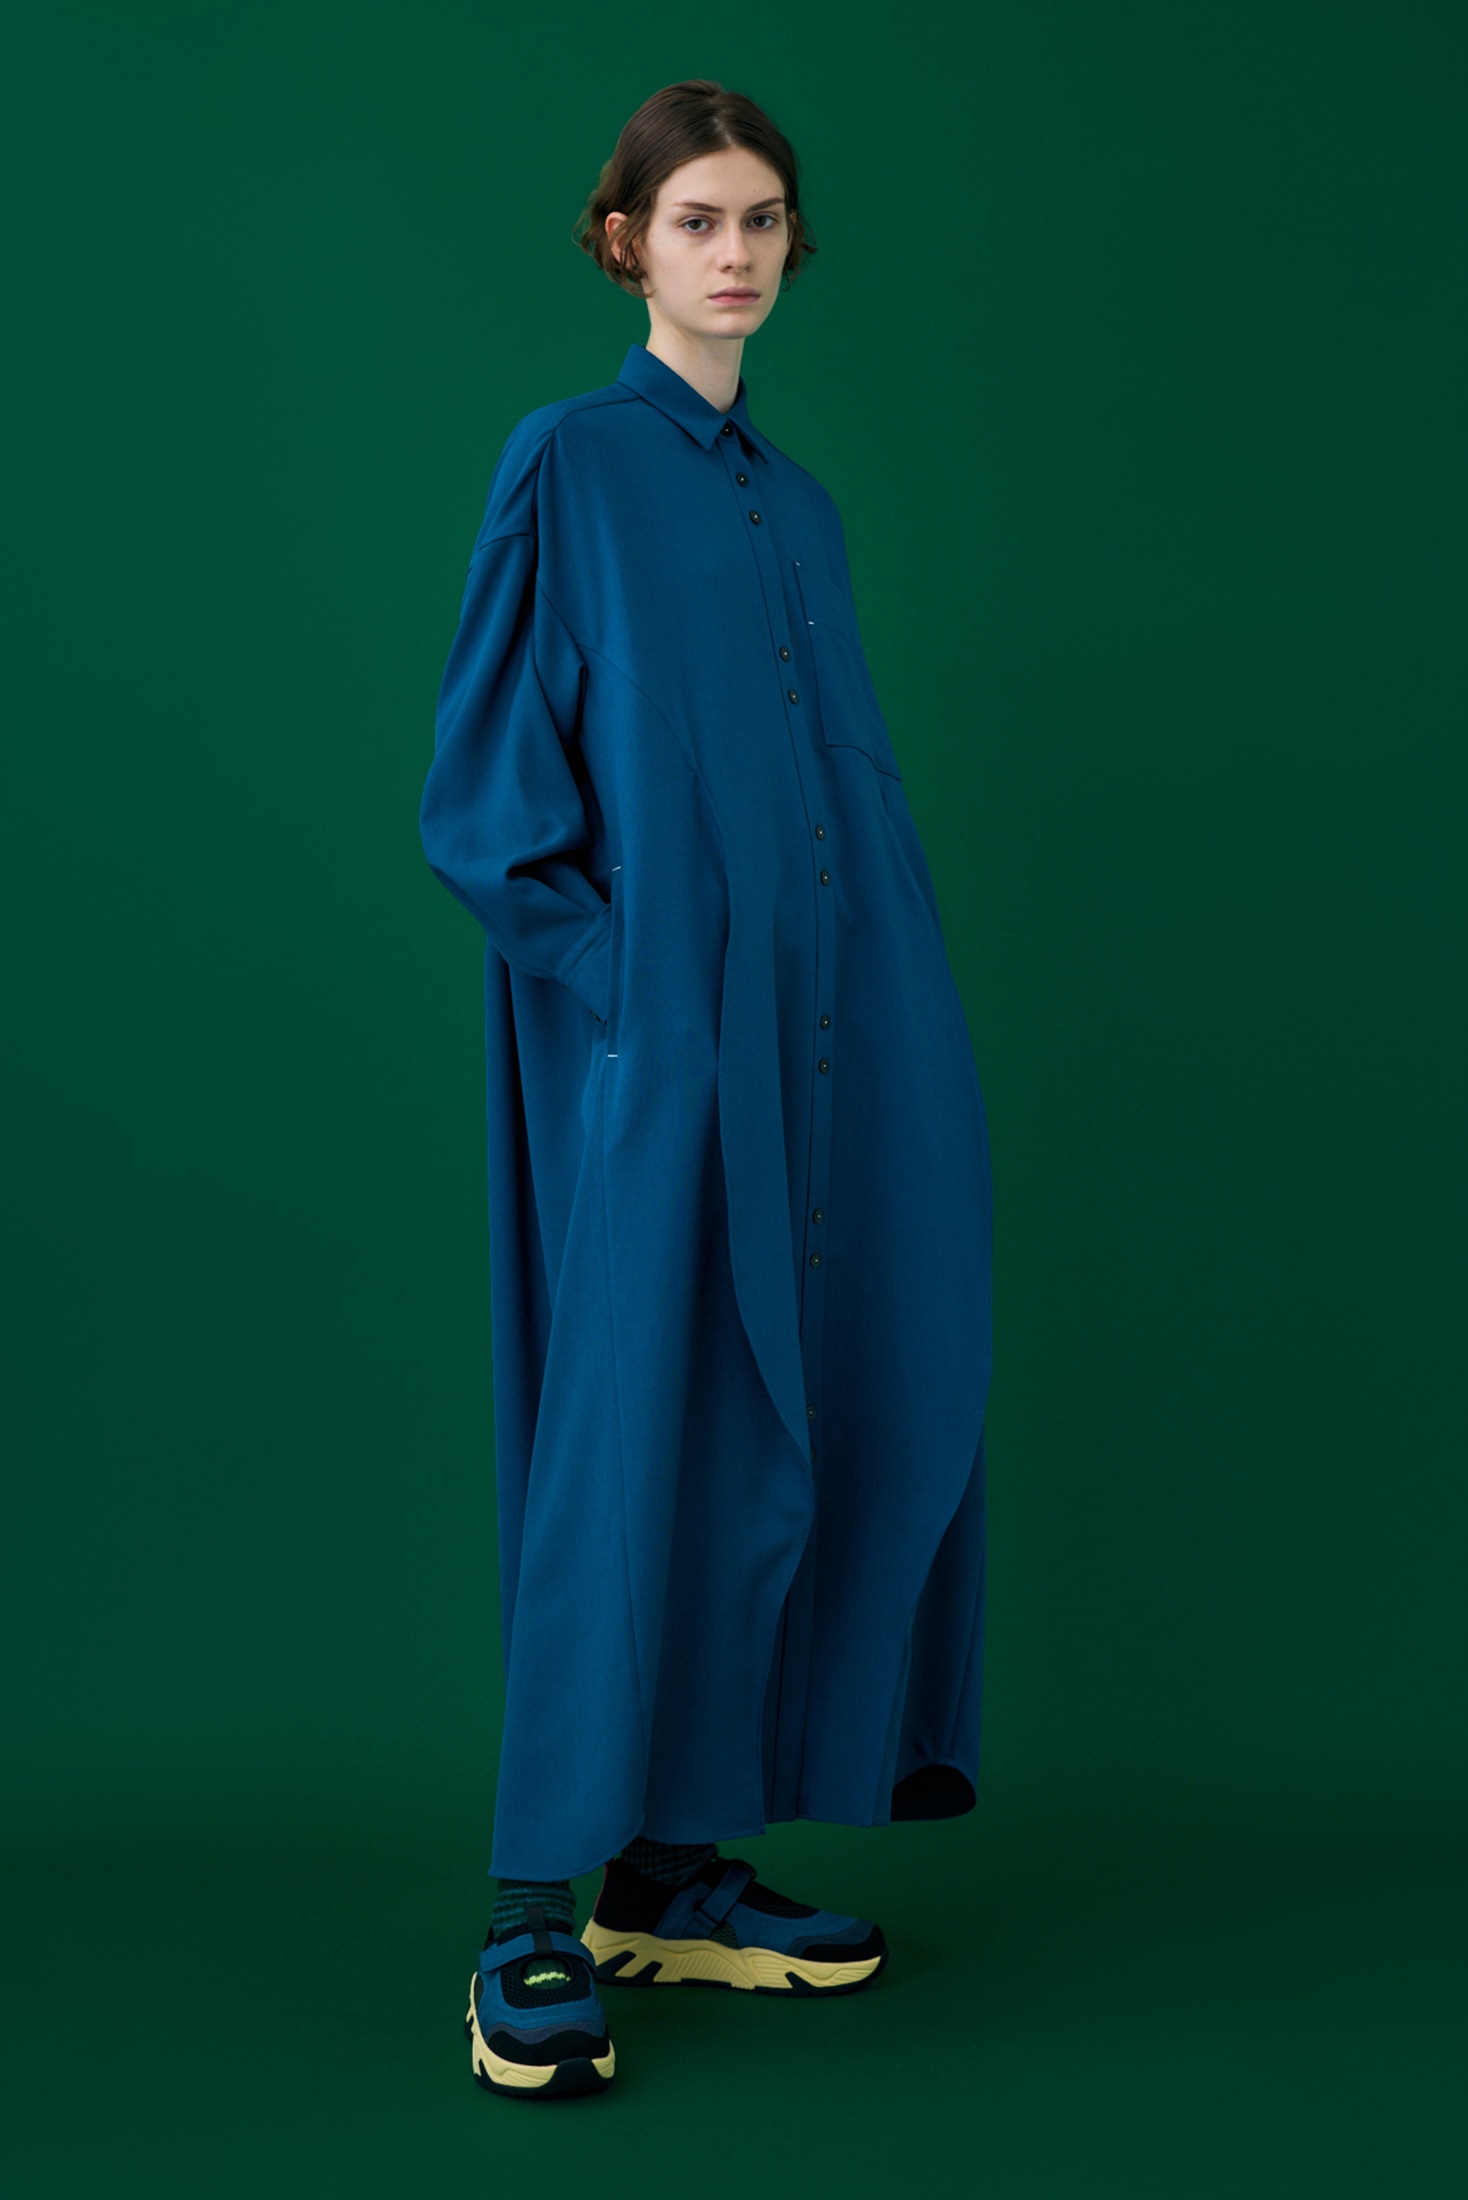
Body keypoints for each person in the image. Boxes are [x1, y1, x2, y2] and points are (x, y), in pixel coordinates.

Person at [421, 79, 993, 2101]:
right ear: (625, 245)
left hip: (849, 1040)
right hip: (661, 1051)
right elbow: (485, 802)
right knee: (630, 1433)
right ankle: (528, 1912)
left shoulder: (801, 505)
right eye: (694, 221)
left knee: (806, 1412)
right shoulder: (566, 464)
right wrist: (634, 996)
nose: (733, 252)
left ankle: (675, 1870)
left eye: (758, 220)